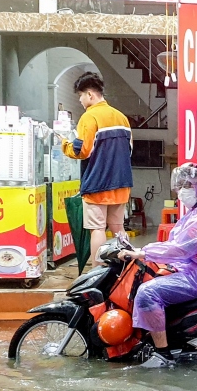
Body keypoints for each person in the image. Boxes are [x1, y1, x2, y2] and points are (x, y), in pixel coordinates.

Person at [120, 163, 197, 368]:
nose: (182, 191)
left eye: (187, 185)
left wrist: (143, 252)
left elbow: (182, 249)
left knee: (147, 293)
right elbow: (177, 244)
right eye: (180, 185)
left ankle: (163, 354)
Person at [61, 72, 133, 266]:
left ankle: (96, 272)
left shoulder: (89, 117)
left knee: (98, 229)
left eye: (81, 96)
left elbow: (82, 150)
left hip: (97, 184)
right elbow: (130, 150)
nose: (80, 100)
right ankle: (127, 268)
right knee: (118, 227)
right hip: (122, 183)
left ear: (90, 95)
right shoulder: (121, 118)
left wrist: (65, 145)